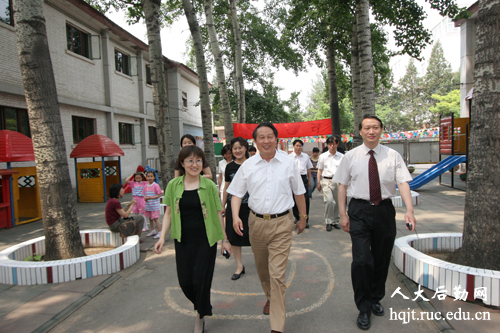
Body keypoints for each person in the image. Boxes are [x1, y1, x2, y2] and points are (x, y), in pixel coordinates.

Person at [333, 115, 416, 331]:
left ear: (381, 130)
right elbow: (341, 186)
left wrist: (409, 210)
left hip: (384, 211)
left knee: (381, 259)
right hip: (359, 210)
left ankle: (376, 297)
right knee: (362, 261)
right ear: (360, 131)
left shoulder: (393, 155)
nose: (372, 131)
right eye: (367, 128)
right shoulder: (350, 157)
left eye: (376, 127)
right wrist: (343, 214)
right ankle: (363, 307)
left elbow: (403, 183)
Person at [227, 122, 307, 333]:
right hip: (256, 223)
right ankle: (271, 297)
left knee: (277, 275)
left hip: (282, 223)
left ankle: (277, 327)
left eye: (269, 136)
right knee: (263, 271)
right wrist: (235, 216)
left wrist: (303, 217)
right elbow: (235, 194)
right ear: (255, 141)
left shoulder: (288, 163)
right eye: (261, 137)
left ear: (276, 139)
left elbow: (299, 192)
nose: (266, 141)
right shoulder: (248, 165)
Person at [154, 145, 231, 333]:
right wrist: (162, 237)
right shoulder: (174, 185)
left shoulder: (209, 186)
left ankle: (200, 316)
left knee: (200, 280)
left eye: (198, 161)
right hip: (183, 240)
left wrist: (225, 240)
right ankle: (203, 306)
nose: (194, 164)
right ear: (182, 163)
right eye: (190, 161)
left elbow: (219, 212)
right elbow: (169, 214)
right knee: (185, 282)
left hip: (206, 240)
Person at [221, 137, 251, 280]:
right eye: (234, 148)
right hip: (234, 207)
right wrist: (223, 205)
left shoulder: (253, 164)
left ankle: (263, 264)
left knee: (256, 236)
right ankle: (239, 266)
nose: (237, 151)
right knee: (234, 237)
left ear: (245, 148)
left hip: (252, 207)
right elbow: (227, 188)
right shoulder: (229, 167)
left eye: (240, 147)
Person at [317, 136, 344, 231]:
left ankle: (336, 221)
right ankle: (328, 221)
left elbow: (344, 170)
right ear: (327, 145)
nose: (332, 146)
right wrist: (318, 182)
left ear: (337, 144)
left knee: (337, 202)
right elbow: (319, 170)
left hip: (338, 181)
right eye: (330, 144)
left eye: (334, 144)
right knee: (329, 200)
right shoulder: (323, 156)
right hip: (326, 180)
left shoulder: (342, 157)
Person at [289, 139, 312, 228]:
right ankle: (297, 217)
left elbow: (309, 168)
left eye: (300, 146)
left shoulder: (305, 156)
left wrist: (309, 180)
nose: (298, 147)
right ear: (293, 146)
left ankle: (305, 219)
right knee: (295, 199)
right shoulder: (289, 157)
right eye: (297, 145)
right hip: (293, 179)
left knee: (305, 199)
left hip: (303, 178)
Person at [143, 170, 163, 239]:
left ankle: (160, 232)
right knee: (150, 219)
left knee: (156, 219)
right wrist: (145, 198)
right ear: (146, 177)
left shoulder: (156, 185)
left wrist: (151, 197)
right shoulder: (146, 185)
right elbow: (144, 194)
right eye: (148, 176)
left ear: (154, 177)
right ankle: (153, 230)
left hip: (154, 206)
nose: (149, 178)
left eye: (151, 176)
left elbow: (159, 194)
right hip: (148, 206)